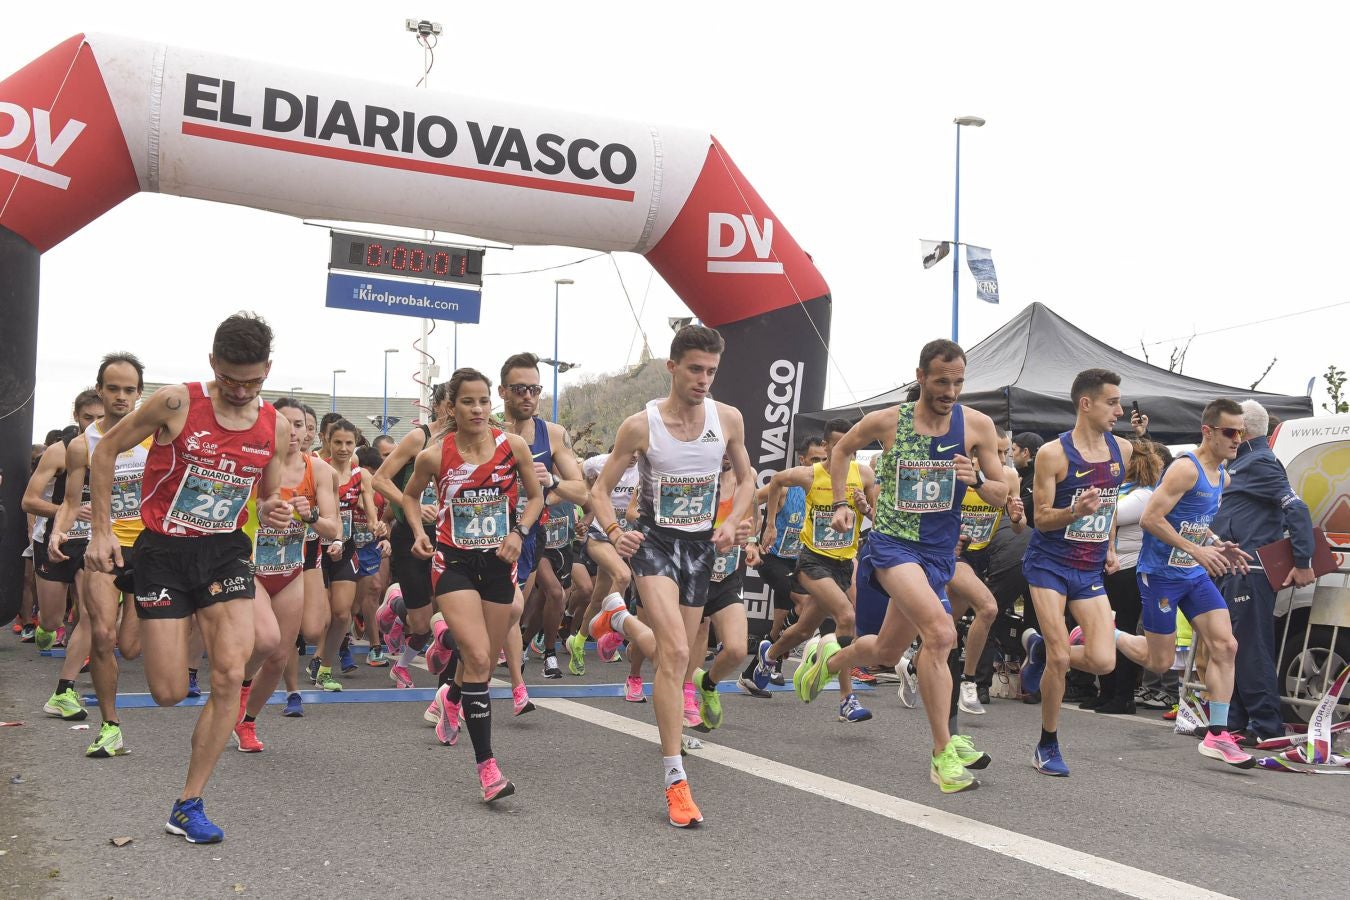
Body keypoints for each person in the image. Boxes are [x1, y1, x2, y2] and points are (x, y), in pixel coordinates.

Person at [85, 313, 293, 844]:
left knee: (228, 674)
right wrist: (103, 533)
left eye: (252, 380)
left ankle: (188, 801)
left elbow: (269, 493)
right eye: (230, 379)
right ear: (212, 365)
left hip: (225, 553)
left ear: (268, 369)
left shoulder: (276, 424)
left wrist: (273, 509)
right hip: (162, 554)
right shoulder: (177, 403)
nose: (242, 390)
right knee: (168, 691)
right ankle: (167, 615)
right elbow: (105, 450)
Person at [804, 339, 1007, 793]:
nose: (950, 391)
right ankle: (942, 753)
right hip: (893, 546)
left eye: (958, 382)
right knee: (940, 633)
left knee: (887, 653)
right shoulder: (889, 421)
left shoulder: (976, 426)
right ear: (920, 378)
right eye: (941, 381)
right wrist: (840, 502)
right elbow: (841, 452)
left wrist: (977, 480)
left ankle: (830, 656)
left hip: (938, 554)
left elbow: (1001, 493)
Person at [589, 324, 756, 827]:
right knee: (679, 653)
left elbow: (748, 478)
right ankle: (675, 779)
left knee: (677, 660)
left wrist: (730, 521)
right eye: (695, 369)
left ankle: (616, 620)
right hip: (656, 544)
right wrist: (617, 530)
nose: (704, 380)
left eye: (712, 371)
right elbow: (600, 490)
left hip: (701, 548)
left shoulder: (727, 419)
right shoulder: (641, 426)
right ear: (672, 367)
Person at [401, 367, 544, 803]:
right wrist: (419, 529)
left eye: (484, 401)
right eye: (468, 401)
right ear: (451, 407)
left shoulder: (512, 446)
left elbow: (536, 496)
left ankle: (452, 698)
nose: (478, 409)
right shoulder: (434, 455)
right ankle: (488, 770)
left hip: (499, 563)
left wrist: (518, 532)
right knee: (481, 655)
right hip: (453, 562)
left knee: (480, 662)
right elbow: (409, 495)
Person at [1114, 398, 1256, 768]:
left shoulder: (1222, 475)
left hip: (1192, 575)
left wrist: (1216, 544)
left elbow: (1193, 519)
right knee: (1159, 662)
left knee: (1226, 645)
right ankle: (1103, 635)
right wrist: (1197, 549)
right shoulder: (1185, 469)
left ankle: (1218, 734)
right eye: (1230, 431)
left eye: (1241, 432)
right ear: (1207, 432)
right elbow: (1150, 518)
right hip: (1160, 574)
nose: (1237, 438)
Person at [1017, 369, 1133, 776]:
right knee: (1062, 656)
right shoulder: (1054, 454)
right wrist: (1074, 512)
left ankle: (1038, 651)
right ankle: (1047, 745)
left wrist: (1112, 547)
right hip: (1049, 564)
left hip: (1088, 569)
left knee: (1103, 661)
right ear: (1087, 404)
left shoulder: (1123, 449)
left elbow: (1112, 504)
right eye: (1112, 402)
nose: (1119, 410)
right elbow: (1041, 518)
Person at [46, 354, 150, 757]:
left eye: (129, 390)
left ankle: (134, 615)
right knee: (103, 636)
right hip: (102, 548)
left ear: (140, 393)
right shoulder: (81, 444)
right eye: (113, 389)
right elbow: (73, 501)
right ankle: (111, 726)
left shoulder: (157, 435)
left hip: (148, 551)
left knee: (131, 646)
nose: (121, 397)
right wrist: (60, 529)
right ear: (100, 390)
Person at [232, 397, 340, 752]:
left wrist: (309, 517)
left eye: (299, 425)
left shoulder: (320, 471)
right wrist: (261, 512)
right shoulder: (252, 465)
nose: (293, 432)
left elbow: (333, 529)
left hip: (290, 569)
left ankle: (246, 721)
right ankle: (235, 689)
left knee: (280, 655)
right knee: (264, 641)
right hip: (250, 567)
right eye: (285, 424)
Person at [756, 419, 878, 723]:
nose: (841, 450)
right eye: (835, 445)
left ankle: (768, 657)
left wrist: (865, 510)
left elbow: (879, 517)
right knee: (847, 617)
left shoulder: (864, 474)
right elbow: (776, 482)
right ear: (826, 446)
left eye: (847, 445)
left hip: (843, 563)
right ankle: (846, 700)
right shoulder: (811, 474)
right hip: (812, 560)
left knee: (804, 629)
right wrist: (770, 523)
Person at [1210, 400, 1316, 743]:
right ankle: (1238, 721)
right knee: (1235, 647)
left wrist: (1303, 563)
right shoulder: (1244, 462)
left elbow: (1297, 509)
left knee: (1251, 647)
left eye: (1233, 427)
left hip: (1250, 570)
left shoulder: (1262, 462)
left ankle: (1265, 726)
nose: (1229, 432)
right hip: (1234, 567)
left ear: (1245, 430)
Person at [496, 353, 587, 709]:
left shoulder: (552, 435)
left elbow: (583, 490)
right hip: (485, 536)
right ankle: (513, 686)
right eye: (520, 389)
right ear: (503, 391)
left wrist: (555, 483)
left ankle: (466, 684)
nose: (528, 396)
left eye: (534, 389)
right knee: (509, 608)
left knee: (510, 611)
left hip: (527, 538)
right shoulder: (486, 429)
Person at [23, 390, 104, 723]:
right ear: (76, 416)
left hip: (92, 544)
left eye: (101, 418)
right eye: (89, 418)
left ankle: (64, 691)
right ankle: (47, 627)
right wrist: (67, 512)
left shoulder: (117, 450)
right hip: (55, 540)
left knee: (91, 613)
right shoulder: (59, 452)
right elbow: (28, 501)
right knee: (53, 620)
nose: (95, 425)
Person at [372, 384, 453, 692]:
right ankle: (396, 603)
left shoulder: (471, 443)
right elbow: (380, 479)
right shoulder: (420, 437)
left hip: (450, 536)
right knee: (420, 623)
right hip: (411, 535)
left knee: (447, 609)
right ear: (439, 405)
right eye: (452, 404)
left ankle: (402, 666)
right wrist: (414, 506)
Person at [1079, 440, 1163, 715]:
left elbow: (1108, 514)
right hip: (1109, 570)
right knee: (1105, 631)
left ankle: (1123, 695)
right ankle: (1106, 691)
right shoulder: (1126, 492)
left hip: (1128, 571)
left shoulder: (1144, 495)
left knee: (1122, 633)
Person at [740, 436, 826, 695]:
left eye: (824, 459)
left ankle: (756, 671)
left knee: (780, 624)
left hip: (799, 560)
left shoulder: (824, 487)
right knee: (806, 604)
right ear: (802, 460)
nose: (819, 464)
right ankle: (766, 662)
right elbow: (750, 500)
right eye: (814, 460)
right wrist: (759, 533)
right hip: (773, 559)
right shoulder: (788, 486)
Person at [311, 420, 383, 691]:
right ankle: (315, 659)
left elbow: (370, 509)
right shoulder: (320, 470)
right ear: (327, 441)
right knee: (324, 615)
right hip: (316, 547)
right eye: (337, 442)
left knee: (342, 615)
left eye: (349, 443)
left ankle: (325, 670)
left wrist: (377, 526)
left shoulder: (360, 474)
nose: (343, 448)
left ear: (356, 444)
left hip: (346, 547)